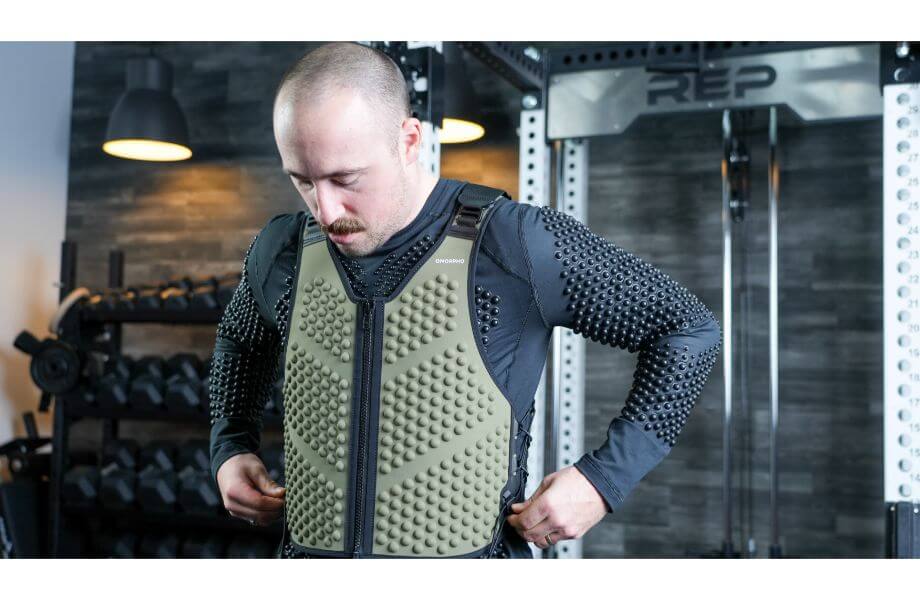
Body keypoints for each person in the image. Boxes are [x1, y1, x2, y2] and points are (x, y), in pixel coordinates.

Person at [208, 42, 722, 559]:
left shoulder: (514, 242)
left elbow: (686, 328)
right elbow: (240, 342)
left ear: (409, 140)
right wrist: (230, 447)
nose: (325, 209)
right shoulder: (282, 248)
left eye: (346, 179)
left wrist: (603, 480)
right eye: (302, 181)